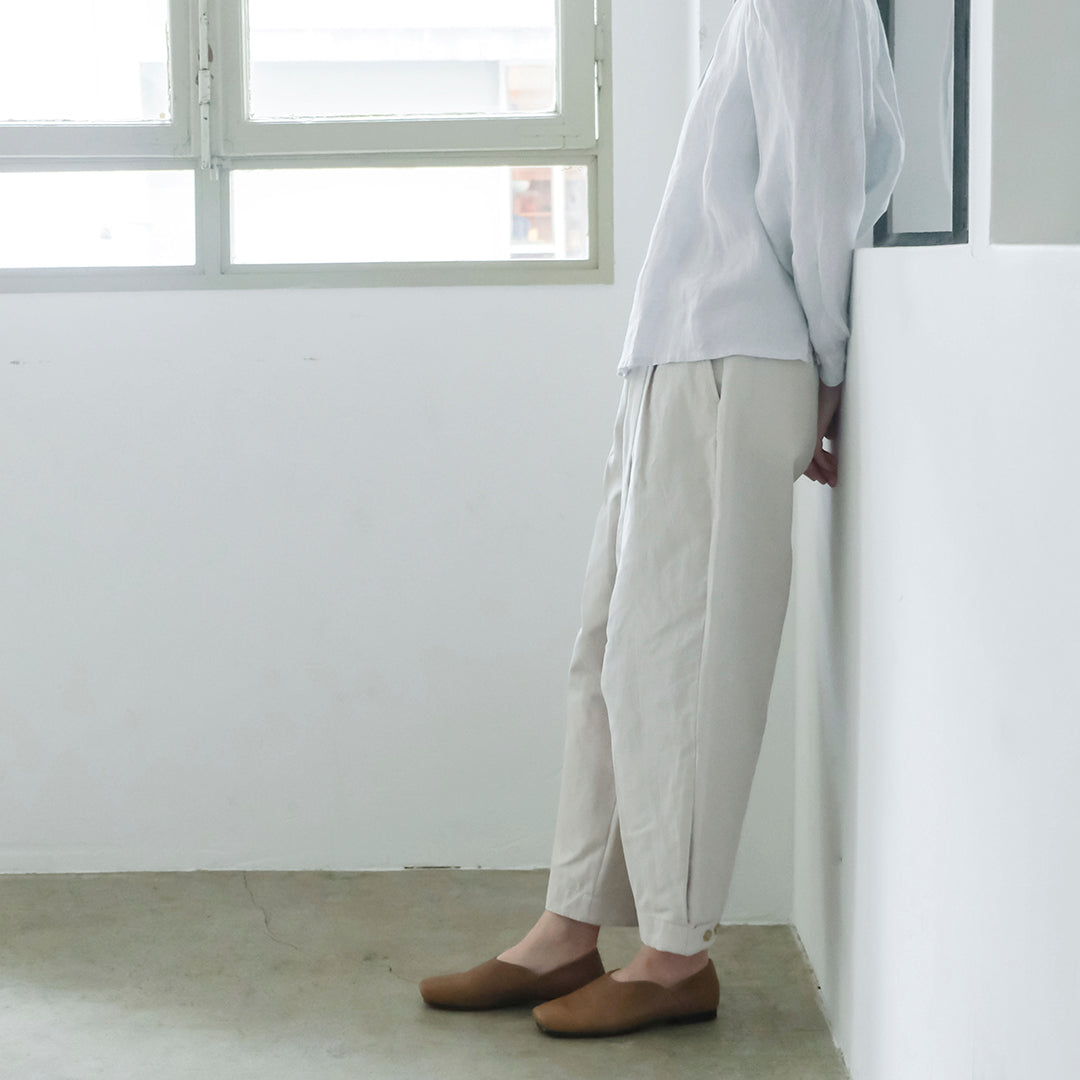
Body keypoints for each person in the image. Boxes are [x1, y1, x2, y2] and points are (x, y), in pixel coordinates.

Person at [419, 0, 904, 1038]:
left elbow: (821, 178)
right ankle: (570, 923)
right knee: (610, 653)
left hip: (740, 347)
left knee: (685, 661)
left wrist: (830, 363)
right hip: (677, 346)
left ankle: (676, 954)